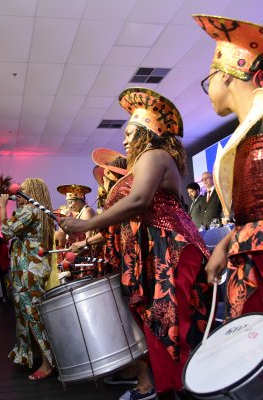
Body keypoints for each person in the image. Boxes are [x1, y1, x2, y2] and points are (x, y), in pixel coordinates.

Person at [59, 88, 211, 400]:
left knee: (171, 321)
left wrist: (86, 225)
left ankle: (184, 389)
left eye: (130, 133)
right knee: (157, 321)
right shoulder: (142, 163)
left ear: (146, 133)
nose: (125, 141)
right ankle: (169, 389)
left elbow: (139, 201)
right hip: (154, 248)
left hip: (172, 245)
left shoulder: (155, 156)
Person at [194, 14, 263, 318]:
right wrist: (226, 245)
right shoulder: (246, 135)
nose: (209, 91)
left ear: (225, 76)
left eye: (208, 81)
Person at [0, 178, 54, 380]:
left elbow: (5, 233)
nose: (17, 194)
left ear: (31, 192)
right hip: (35, 268)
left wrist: (2, 207)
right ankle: (35, 356)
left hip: (27, 270)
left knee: (31, 314)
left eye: (22, 190)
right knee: (31, 313)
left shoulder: (30, 210)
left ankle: (48, 363)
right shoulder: (39, 211)